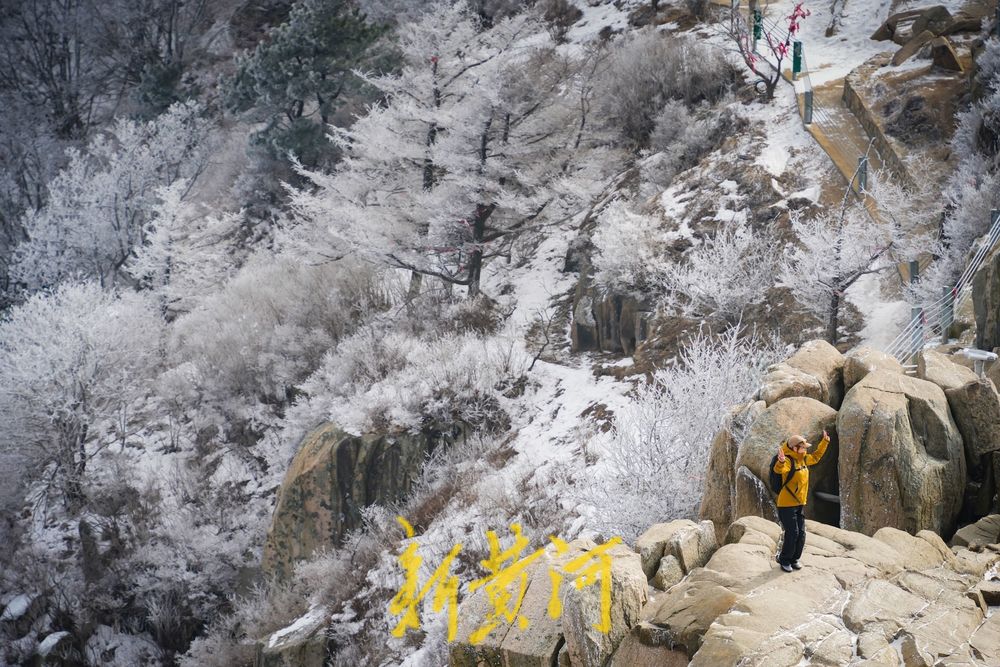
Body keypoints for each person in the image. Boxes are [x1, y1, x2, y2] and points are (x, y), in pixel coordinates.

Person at [773, 430, 829, 572]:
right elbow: (780, 470)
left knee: (801, 534)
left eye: (805, 447)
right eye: (802, 447)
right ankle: (784, 559)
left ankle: (794, 559)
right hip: (786, 505)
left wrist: (825, 442)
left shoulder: (803, 459)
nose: (805, 450)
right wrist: (780, 462)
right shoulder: (788, 460)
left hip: (799, 504)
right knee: (793, 533)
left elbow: (816, 457)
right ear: (794, 448)